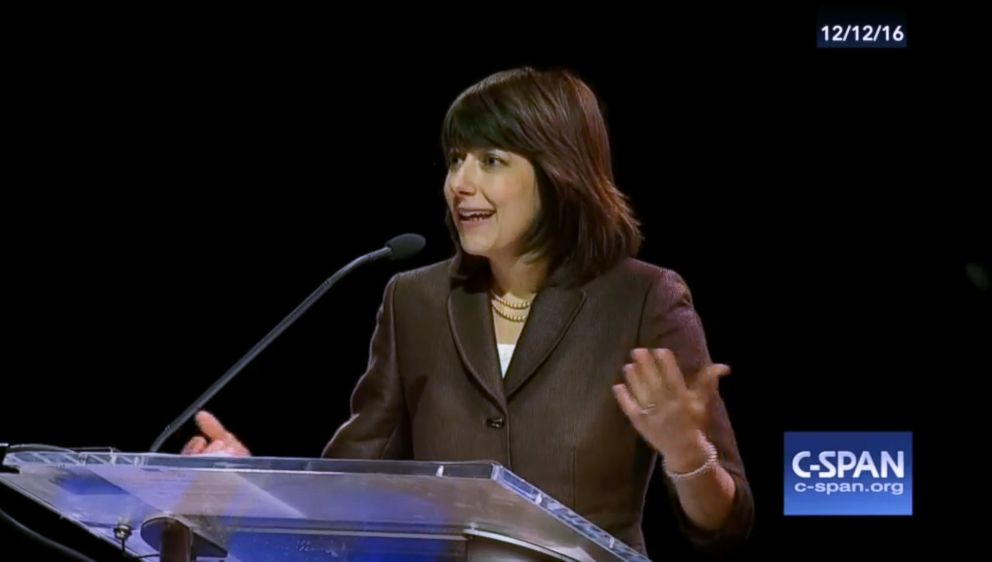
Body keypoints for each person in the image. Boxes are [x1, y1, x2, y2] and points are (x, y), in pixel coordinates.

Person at [183, 67, 754, 557]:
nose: (460, 182)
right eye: (457, 159)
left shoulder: (643, 299)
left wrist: (686, 454)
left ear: (559, 173)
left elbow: (725, 523)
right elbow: (349, 489)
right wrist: (243, 485)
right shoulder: (416, 300)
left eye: (492, 160)